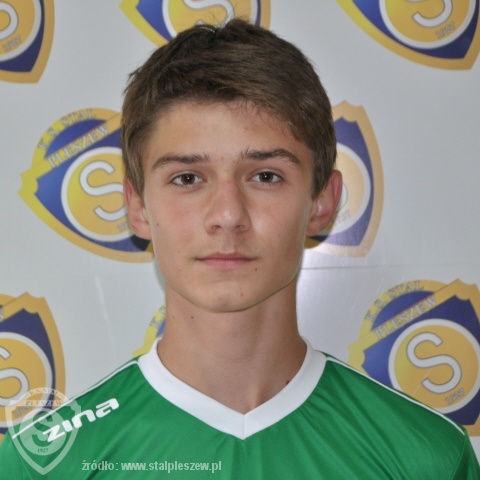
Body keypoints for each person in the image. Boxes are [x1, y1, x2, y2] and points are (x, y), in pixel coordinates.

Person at [0, 19, 479, 479]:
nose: (228, 214)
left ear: (322, 202)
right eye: (187, 178)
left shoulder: (427, 458)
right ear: (138, 207)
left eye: (265, 176)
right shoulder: (44, 465)